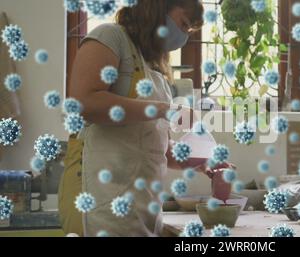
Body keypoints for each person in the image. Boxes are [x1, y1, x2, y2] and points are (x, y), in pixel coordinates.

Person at [58, 0, 230, 237]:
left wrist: (198, 161)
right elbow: (84, 103)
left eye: (189, 31)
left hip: (141, 208)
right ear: (160, 8)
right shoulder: (110, 37)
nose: (183, 37)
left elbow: (155, 147)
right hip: (98, 200)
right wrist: (163, 109)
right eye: (183, 24)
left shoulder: (152, 67)